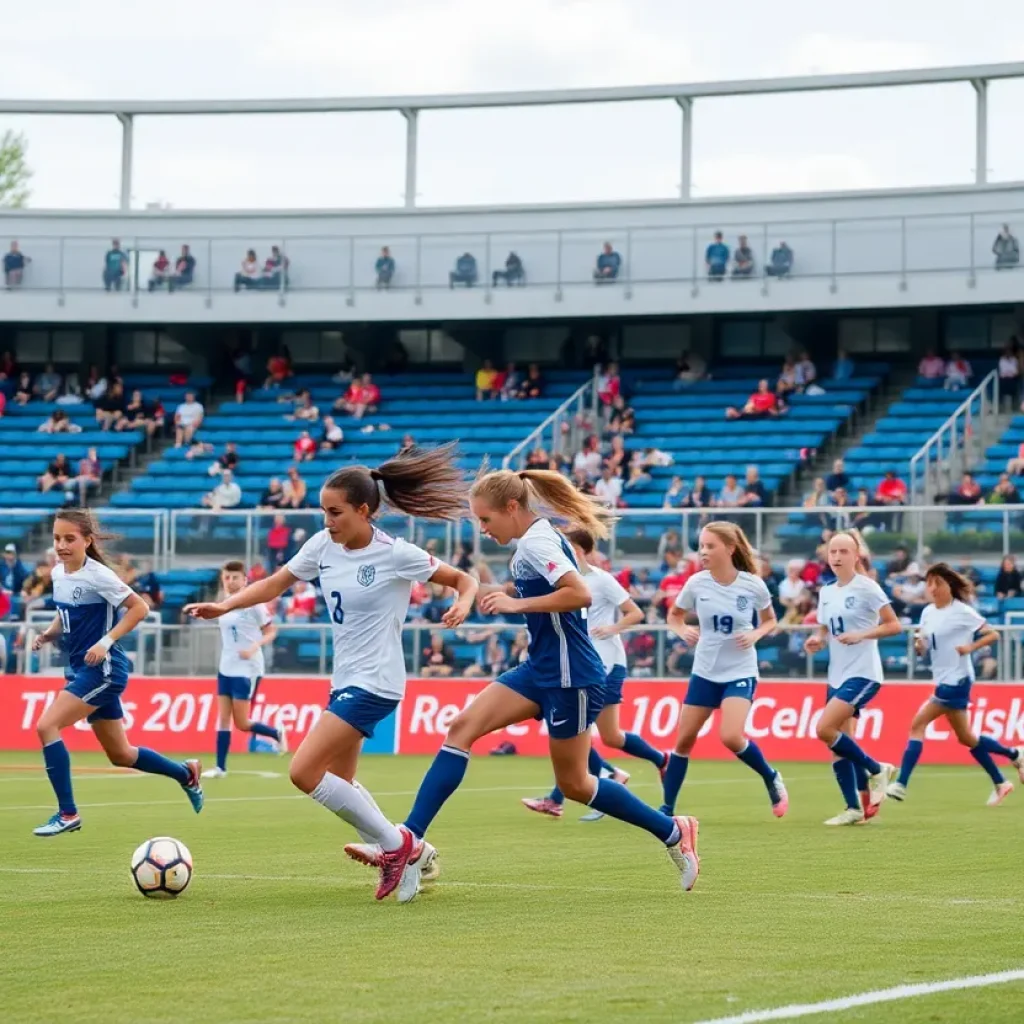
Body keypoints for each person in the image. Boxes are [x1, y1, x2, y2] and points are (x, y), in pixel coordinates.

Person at [389, 468, 700, 904]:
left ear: (512, 507)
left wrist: (516, 603)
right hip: (541, 668)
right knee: (461, 728)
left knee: (574, 784)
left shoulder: (536, 540)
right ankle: (409, 843)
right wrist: (477, 587)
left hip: (572, 676)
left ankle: (673, 830)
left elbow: (579, 595)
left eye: (486, 519)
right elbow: (534, 587)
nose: (482, 528)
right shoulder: (532, 540)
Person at [185, 445, 478, 901]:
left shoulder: (396, 553)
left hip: (376, 681)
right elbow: (275, 583)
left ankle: (397, 846)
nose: (327, 520)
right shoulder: (323, 545)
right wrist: (225, 604)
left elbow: (465, 579)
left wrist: (462, 601)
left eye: (335, 512)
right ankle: (412, 852)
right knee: (341, 782)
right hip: (345, 680)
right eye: (323, 511)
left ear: (364, 511)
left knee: (303, 771)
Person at [30, 509, 204, 836]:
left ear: (87, 541)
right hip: (82, 668)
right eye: (57, 538)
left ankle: (68, 813)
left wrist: (106, 641)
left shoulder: (98, 575)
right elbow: (65, 614)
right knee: (121, 755)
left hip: (104, 670)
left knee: (46, 725)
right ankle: (187, 774)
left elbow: (140, 608)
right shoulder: (58, 574)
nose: (62, 545)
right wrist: (49, 633)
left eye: (70, 538)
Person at [522, 527, 668, 821]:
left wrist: (613, 628)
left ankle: (579, 787)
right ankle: (653, 761)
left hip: (606, 662)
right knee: (609, 736)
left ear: (583, 551)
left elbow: (635, 612)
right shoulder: (559, 581)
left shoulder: (601, 580)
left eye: (570, 547)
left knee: (580, 729)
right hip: (579, 663)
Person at [661, 522, 788, 819]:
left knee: (730, 736)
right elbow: (674, 616)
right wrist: (682, 630)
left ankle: (770, 776)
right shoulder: (696, 583)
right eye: (701, 546)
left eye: (710, 546)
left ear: (730, 549)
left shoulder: (752, 585)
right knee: (683, 741)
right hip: (705, 670)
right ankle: (666, 809)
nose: (703, 551)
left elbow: (770, 620)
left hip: (740, 671)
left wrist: (756, 634)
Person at [888, 564, 1023, 806]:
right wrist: (920, 646)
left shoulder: (962, 611)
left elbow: (993, 635)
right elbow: (924, 643)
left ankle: (901, 783)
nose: (933, 588)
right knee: (966, 737)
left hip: (957, 681)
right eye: (929, 583)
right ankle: (1009, 766)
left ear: (950, 585)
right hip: (943, 679)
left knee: (918, 724)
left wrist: (969, 648)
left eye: (938, 583)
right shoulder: (928, 612)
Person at [803, 530, 901, 826]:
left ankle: (876, 768)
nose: (836, 556)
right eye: (833, 551)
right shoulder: (827, 591)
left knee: (824, 728)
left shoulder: (867, 588)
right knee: (839, 741)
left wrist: (862, 634)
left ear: (856, 556)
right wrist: (817, 640)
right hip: (837, 676)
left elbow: (894, 625)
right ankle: (854, 807)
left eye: (843, 551)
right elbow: (824, 628)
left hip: (864, 674)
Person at [200, 561, 283, 779]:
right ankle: (220, 768)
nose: (230, 581)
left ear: (245, 580)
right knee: (223, 718)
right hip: (226, 666)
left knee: (243, 723)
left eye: (235, 577)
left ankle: (276, 733)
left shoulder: (254, 603)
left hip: (247, 668)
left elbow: (271, 631)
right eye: (226, 577)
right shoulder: (224, 604)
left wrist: (254, 646)